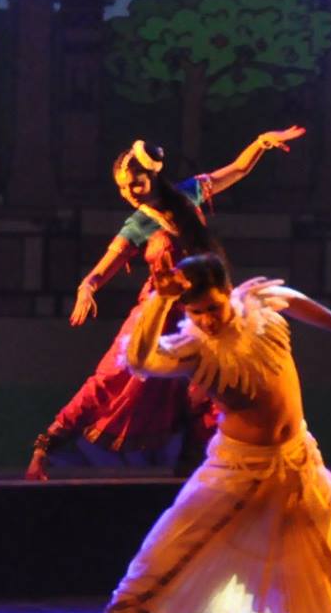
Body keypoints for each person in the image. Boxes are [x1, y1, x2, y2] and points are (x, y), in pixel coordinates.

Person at [43, 254, 331, 613]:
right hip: (238, 467)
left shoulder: (258, 306)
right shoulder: (194, 350)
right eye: (196, 312)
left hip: (298, 459)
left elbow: (295, 299)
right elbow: (139, 358)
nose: (207, 319)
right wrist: (158, 300)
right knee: (169, 552)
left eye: (213, 307)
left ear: (229, 294)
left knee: (299, 557)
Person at [28, 127, 304, 478]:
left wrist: (260, 144)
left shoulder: (188, 194)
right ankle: (47, 445)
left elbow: (236, 170)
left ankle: (193, 468)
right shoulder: (139, 223)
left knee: (208, 389)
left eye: (135, 184)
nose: (128, 193)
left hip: (202, 312)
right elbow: (101, 269)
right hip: (157, 314)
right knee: (113, 377)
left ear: (153, 176)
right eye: (122, 187)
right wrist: (87, 285)